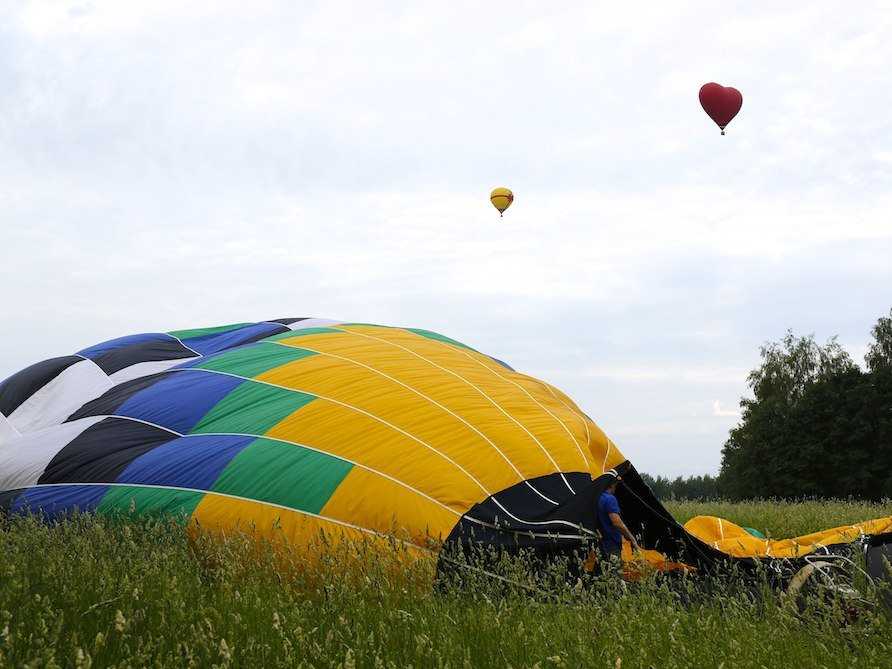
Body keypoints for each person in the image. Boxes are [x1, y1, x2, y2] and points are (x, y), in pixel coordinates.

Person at [597, 475, 640, 570]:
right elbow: (617, 522)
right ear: (612, 484)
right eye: (616, 483)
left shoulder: (597, 498)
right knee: (615, 574)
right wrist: (631, 538)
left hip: (600, 543)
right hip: (611, 544)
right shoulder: (610, 499)